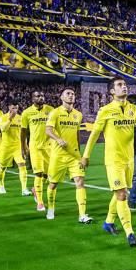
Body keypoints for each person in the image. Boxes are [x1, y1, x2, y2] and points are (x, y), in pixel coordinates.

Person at [81, 77, 136, 247]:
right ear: (112, 91)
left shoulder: (132, 108)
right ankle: (130, 233)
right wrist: (86, 156)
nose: (124, 87)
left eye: (125, 85)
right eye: (120, 85)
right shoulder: (105, 111)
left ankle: (108, 222)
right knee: (122, 194)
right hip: (114, 160)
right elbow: (93, 135)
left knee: (121, 193)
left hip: (129, 160)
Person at [45, 87, 92, 223]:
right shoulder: (55, 113)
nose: (71, 96)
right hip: (58, 155)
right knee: (53, 184)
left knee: (80, 182)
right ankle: (51, 208)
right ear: (62, 97)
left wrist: (81, 154)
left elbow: (77, 134)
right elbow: (48, 130)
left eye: (73, 94)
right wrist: (58, 139)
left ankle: (82, 215)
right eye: (68, 94)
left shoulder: (78, 114)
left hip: (74, 156)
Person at [21, 91, 53, 212]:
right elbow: (23, 132)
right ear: (32, 98)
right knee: (38, 173)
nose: (41, 98)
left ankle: (35, 189)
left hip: (49, 147)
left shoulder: (51, 110)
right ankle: (40, 202)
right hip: (35, 147)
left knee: (48, 174)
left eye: (42, 96)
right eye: (38, 96)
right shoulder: (27, 113)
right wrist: (23, 147)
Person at [0, 103, 30, 196]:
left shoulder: (21, 118)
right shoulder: (2, 117)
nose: (14, 109)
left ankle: (24, 189)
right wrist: (10, 119)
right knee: (2, 167)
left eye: (16, 108)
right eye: (13, 107)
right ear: (9, 107)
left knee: (22, 165)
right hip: (6, 146)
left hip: (17, 146)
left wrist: (25, 146)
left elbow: (23, 133)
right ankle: (1, 185)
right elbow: (3, 129)